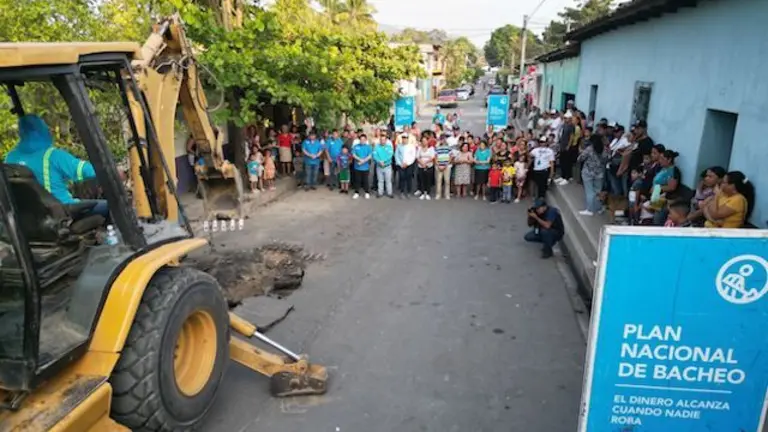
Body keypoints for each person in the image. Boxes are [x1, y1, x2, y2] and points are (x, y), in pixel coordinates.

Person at [4, 114, 109, 219]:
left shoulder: (10, 157)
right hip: (62, 211)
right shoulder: (52, 155)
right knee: (111, 206)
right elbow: (87, 171)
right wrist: (112, 172)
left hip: (31, 218)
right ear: (42, 130)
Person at [577, 133, 608, 216]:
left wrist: (580, 152)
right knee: (598, 191)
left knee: (589, 191)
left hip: (588, 172)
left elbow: (580, 158)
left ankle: (589, 210)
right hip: (599, 173)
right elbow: (606, 160)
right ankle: (598, 208)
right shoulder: (604, 149)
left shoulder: (589, 149)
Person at [395, 131, 417, 199]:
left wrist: (407, 163)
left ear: (408, 138)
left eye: (406, 138)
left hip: (409, 165)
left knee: (408, 178)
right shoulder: (399, 146)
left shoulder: (411, 146)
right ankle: (402, 192)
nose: (404, 139)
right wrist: (400, 163)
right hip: (401, 165)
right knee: (402, 178)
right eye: (403, 138)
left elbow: (413, 156)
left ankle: (408, 192)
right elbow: (396, 155)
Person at [351, 134, 372, 199]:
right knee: (357, 181)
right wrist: (360, 159)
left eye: (364, 139)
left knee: (365, 181)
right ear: (359, 140)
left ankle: (367, 192)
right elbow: (353, 154)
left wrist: (363, 161)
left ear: (366, 140)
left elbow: (370, 156)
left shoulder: (368, 147)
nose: (362, 140)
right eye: (361, 139)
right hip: (357, 167)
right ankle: (356, 192)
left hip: (365, 167)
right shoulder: (356, 146)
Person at [373, 134, 394, 198]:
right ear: (380, 140)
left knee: (388, 181)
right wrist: (379, 161)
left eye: (384, 140)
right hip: (379, 166)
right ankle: (380, 193)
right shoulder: (376, 147)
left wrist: (383, 161)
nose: (382, 141)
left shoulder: (389, 147)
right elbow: (374, 155)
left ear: (386, 140)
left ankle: (389, 193)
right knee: (380, 181)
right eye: (381, 140)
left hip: (387, 166)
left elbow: (390, 155)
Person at [434, 134, 453, 200]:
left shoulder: (449, 147)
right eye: (441, 139)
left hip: (447, 166)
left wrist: (446, 165)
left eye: (444, 139)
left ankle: (447, 194)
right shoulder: (437, 148)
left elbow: (451, 157)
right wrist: (438, 165)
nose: (443, 140)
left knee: (447, 181)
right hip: (438, 166)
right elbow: (435, 157)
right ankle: (438, 194)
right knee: (438, 181)